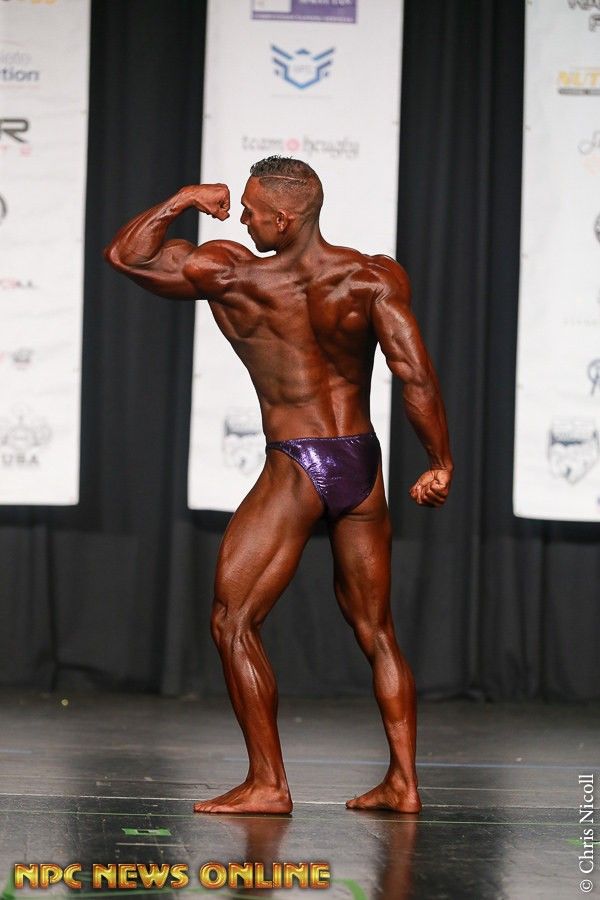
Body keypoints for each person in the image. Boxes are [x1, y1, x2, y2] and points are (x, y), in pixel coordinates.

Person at [105, 156, 453, 815]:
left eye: (252, 210)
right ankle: (404, 783)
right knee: (378, 631)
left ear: (286, 219)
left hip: (298, 461)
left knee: (233, 620)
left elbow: (127, 256)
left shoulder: (235, 275)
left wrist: (182, 199)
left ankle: (268, 783)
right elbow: (414, 373)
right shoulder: (373, 276)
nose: (241, 218)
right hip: (360, 462)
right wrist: (440, 460)